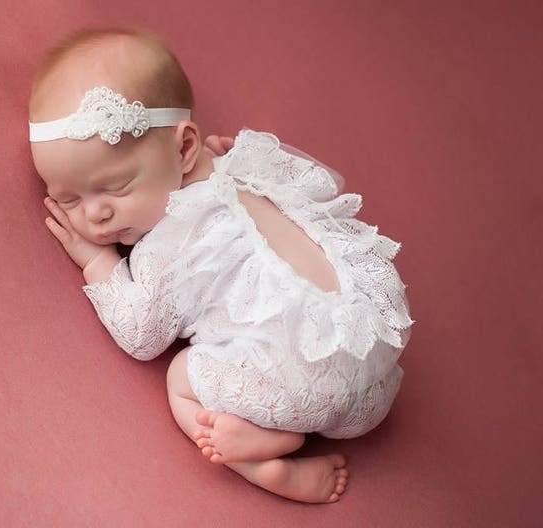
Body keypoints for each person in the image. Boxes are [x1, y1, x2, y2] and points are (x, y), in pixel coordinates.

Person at [28, 27, 414, 504]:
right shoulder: (242, 162)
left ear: (184, 147)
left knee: (180, 380)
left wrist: (96, 261)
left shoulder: (172, 238)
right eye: (69, 198)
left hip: (300, 387)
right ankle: (283, 426)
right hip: (373, 365)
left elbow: (143, 335)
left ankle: (266, 457)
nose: (95, 214)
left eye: (117, 188)